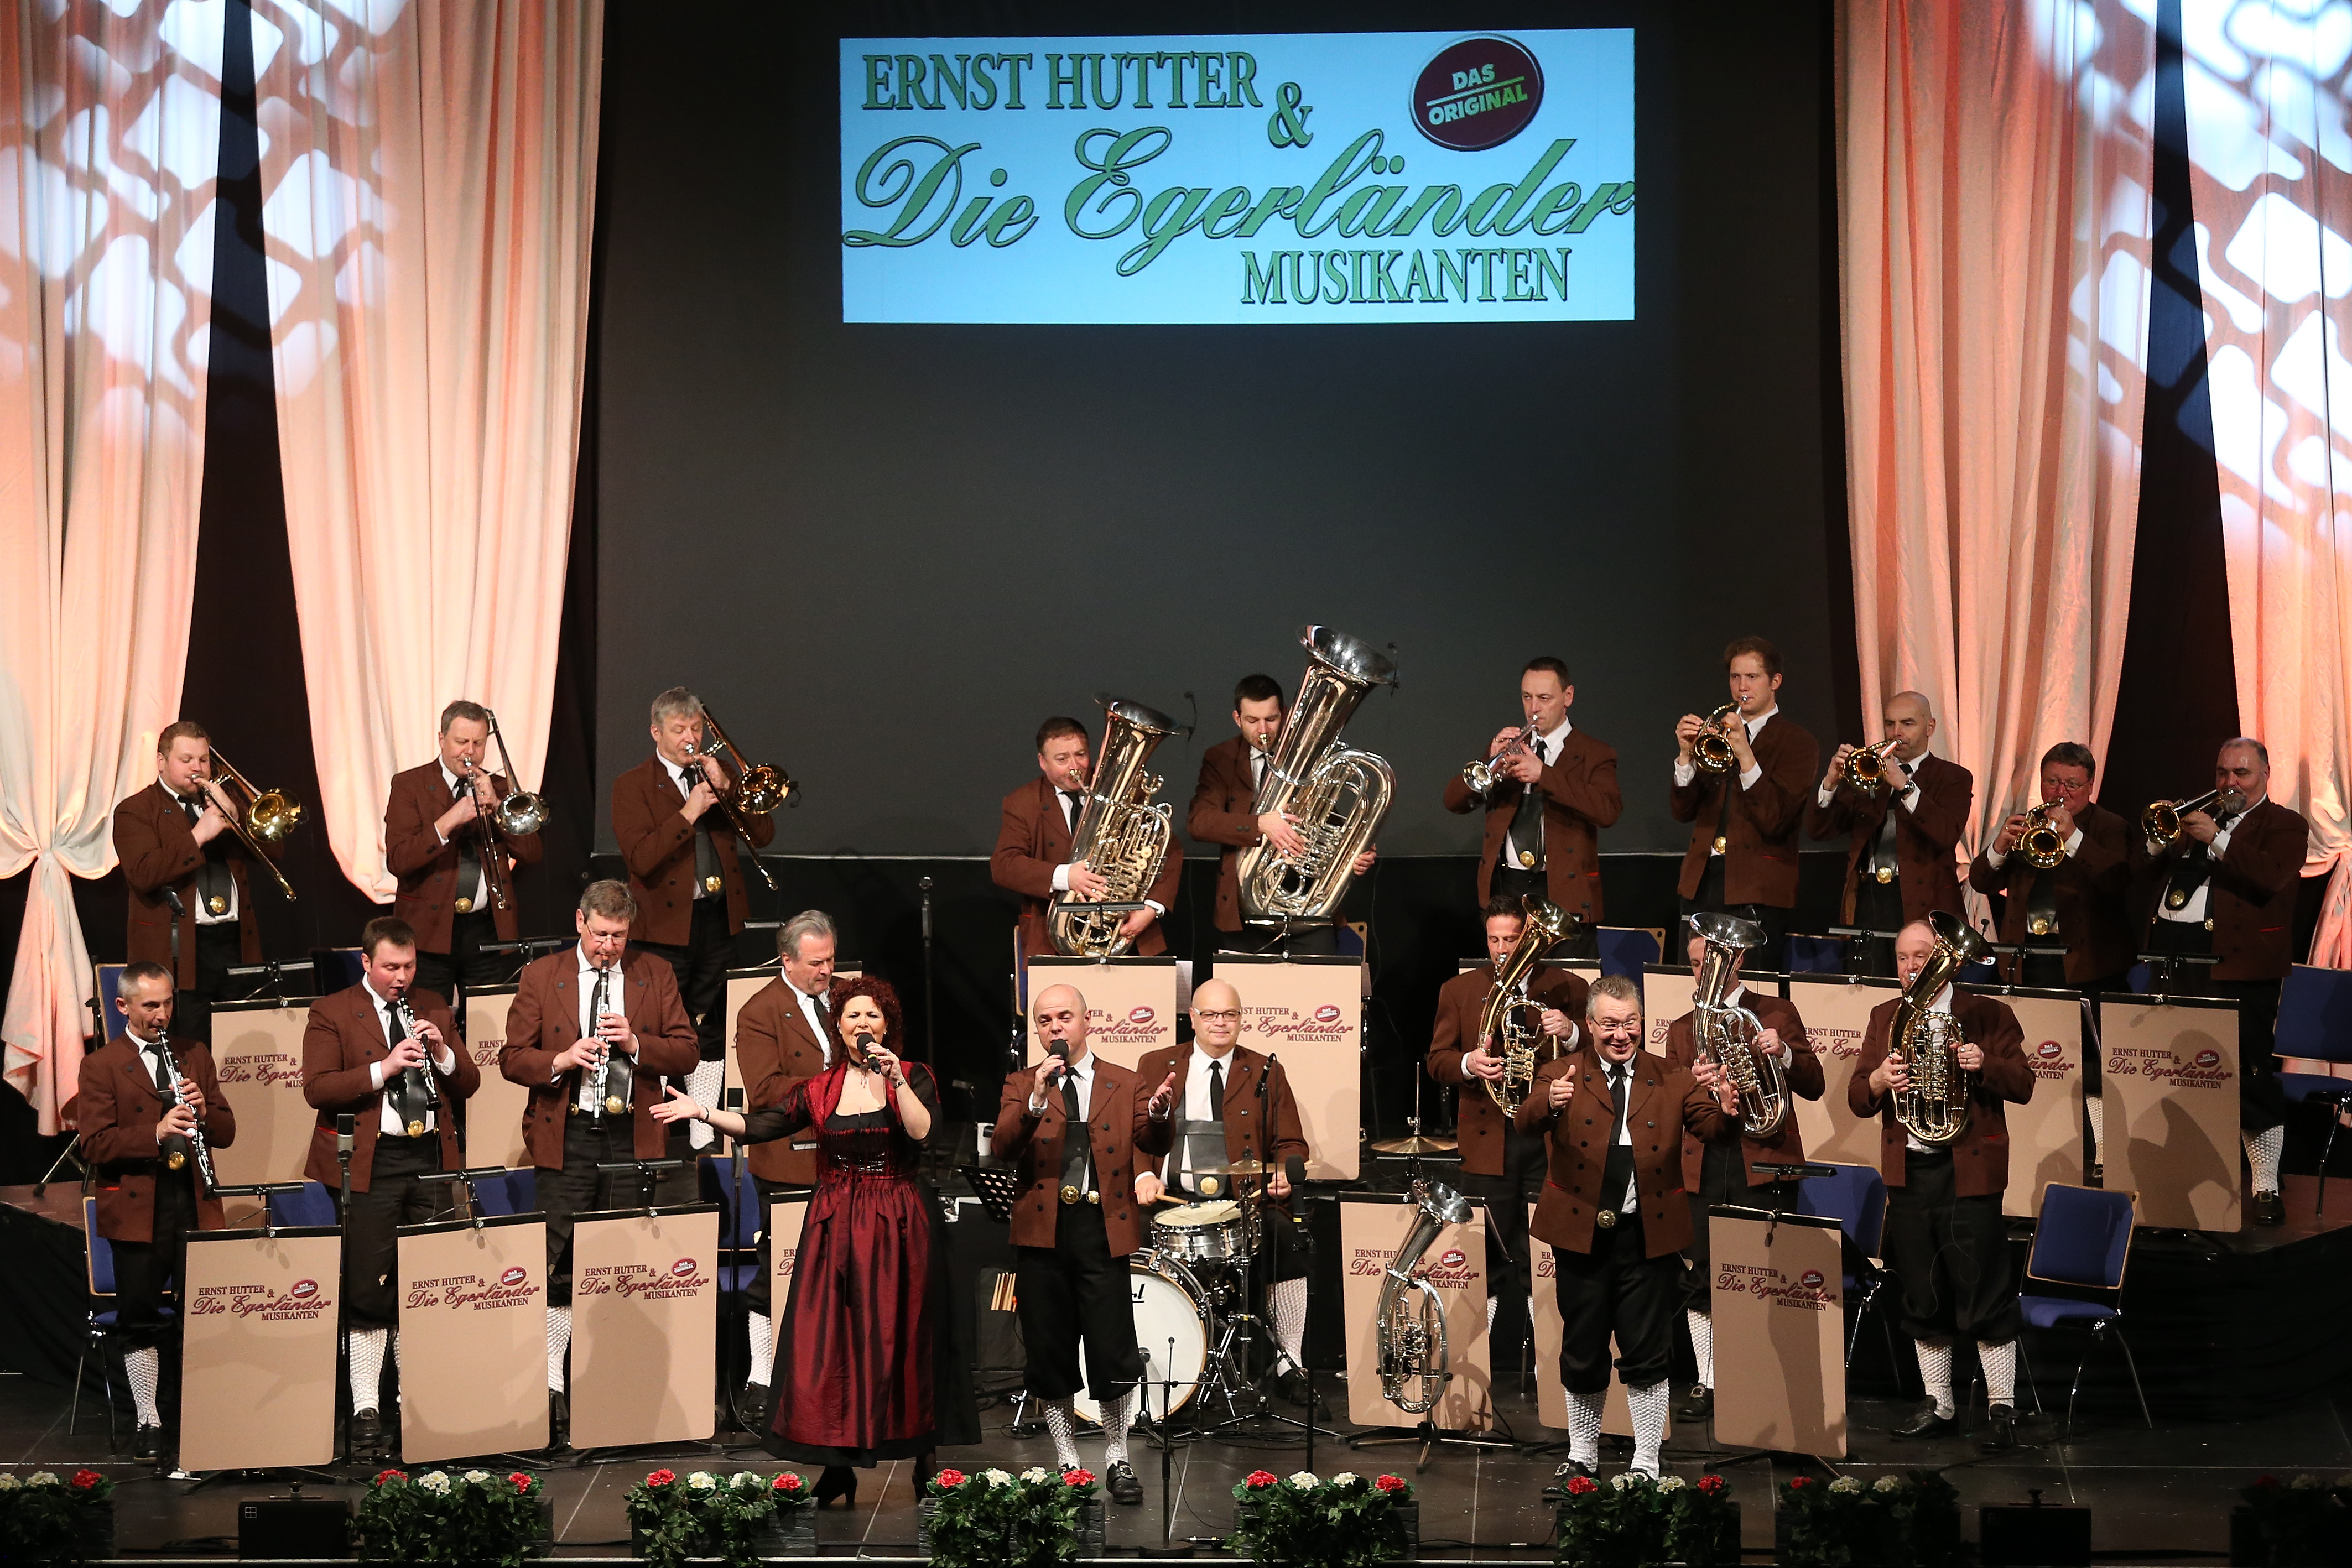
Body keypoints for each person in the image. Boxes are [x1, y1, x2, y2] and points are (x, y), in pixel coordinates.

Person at [656, 976, 979, 1504]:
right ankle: (838, 1465)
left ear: (887, 1025)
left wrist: (896, 1079)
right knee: (833, 1340)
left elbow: (925, 1133)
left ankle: (925, 1457)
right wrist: (704, 1113)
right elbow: (764, 1124)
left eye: (872, 1015)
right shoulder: (821, 1087)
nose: (863, 1024)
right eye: (853, 1016)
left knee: (907, 1335)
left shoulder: (913, 1074)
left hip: (899, 1221)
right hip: (837, 1223)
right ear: (839, 1026)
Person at [497, 880, 700, 1448]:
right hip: (568, 1135)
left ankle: (614, 1385)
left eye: (620, 936)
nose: (610, 946)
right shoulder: (543, 975)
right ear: (580, 922)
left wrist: (636, 1044)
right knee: (558, 1262)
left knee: (622, 1262)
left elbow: (687, 1050)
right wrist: (562, 1058)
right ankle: (551, 1387)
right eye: (602, 934)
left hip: (631, 1137)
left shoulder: (655, 973)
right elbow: (512, 1058)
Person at [1515, 976, 1736, 1479]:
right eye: (1610, 1024)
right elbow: (1525, 1121)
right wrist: (1550, 1102)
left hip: (1647, 1238)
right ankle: (1582, 1454)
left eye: (1631, 1022)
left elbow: (1713, 1129)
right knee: (1583, 1350)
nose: (1621, 1034)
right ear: (1590, 1024)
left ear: (1642, 1022)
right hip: (1581, 1238)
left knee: (1646, 1352)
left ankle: (1646, 1461)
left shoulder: (1673, 1076)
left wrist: (1727, 1109)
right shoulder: (1560, 1071)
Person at [1849, 919, 2034, 1449]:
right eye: (1903, 958)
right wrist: (1879, 1080)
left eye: (1922, 956)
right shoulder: (1884, 1015)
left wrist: (1984, 1062)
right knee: (1923, 1292)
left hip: (1968, 1173)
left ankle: (2002, 1406)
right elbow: (1857, 1097)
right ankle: (1939, 1402)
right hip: (1910, 1174)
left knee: (1985, 1290)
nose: (1912, 967)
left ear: (1945, 960)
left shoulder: (1988, 1013)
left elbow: (2023, 1083)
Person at [990, 984, 1178, 1503]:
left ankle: (1118, 1456)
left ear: (1087, 1020)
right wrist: (1036, 1097)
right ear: (1036, 1029)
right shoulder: (1021, 1083)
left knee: (1112, 1352)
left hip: (1103, 1228)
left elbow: (1152, 1141)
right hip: (1043, 1233)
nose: (1056, 1026)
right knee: (1050, 1352)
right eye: (1045, 1019)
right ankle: (1068, 1460)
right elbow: (1003, 1146)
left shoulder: (1125, 1080)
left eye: (1065, 1016)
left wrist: (1159, 1113)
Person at [300, 916, 478, 1460]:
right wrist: (384, 1067)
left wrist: (442, 1052)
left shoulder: (434, 1006)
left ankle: (416, 1399)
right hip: (370, 1165)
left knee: (423, 1283)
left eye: (409, 966)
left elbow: (469, 1082)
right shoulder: (331, 1011)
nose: (401, 978)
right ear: (366, 963)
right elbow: (318, 1088)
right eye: (390, 968)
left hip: (429, 1160)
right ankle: (366, 1407)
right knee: (368, 1289)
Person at [2131, 737, 2309, 1227]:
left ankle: (2265, 1183)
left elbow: (2271, 877)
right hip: (2174, 964)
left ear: (2266, 775)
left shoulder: (2285, 824)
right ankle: (2178, 1180)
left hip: (2241, 970)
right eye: (2222, 772)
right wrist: (2159, 838)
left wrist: (2217, 838)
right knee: (2174, 1073)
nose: (2230, 782)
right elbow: (2139, 872)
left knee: (2249, 1075)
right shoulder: (2196, 822)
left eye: (2241, 773)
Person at [1658, 920, 1823, 1421]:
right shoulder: (1682, 1028)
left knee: (1765, 1278)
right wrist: (1693, 1084)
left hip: (1764, 1161)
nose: (1702, 971)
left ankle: (1760, 1377)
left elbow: (1814, 1083)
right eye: (1695, 963)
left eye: (1712, 961)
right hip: (1705, 1163)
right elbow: (1668, 1104)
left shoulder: (1776, 1011)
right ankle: (1709, 1380)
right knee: (1702, 1278)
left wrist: (1784, 1053)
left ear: (1738, 960)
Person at [76, 962, 238, 1465]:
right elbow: (94, 1144)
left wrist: (204, 1112)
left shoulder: (194, 1053)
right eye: (150, 1005)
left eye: (168, 1002)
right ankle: (149, 1417)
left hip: (194, 1202)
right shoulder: (102, 1065)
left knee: (203, 1314)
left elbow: (228, 1131)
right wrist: (155, 1132)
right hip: (138, 1206)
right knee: (141, 1317)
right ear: (123, 1006)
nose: (162, 1014)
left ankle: (202, 1412)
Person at [1425, 895, 1585, 1377]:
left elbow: (1600, 1053)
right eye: (1494, 939)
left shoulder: (1569, 986)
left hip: (1548, 1138)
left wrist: (1571, 1032)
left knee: (1546, 1258)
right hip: (1487, 1139)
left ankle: (1550, 1370)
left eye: (1511, 939)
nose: (1501, 949)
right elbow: (1437, 1060)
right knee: (1485, 1259)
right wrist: (1469, 1063)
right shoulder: (1459, 989)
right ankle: (1474, 1368)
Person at [1133, 978, 1312, 1400]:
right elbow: (1133, 1134)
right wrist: (1143, 1176)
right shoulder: (1154, 1064)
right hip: (1170, 1200)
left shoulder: (1266, 1070)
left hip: (1242, 1202)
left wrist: (1284, 1174)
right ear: (1193, 1018)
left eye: (1229, 1014)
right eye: (1210, 1014)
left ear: (1241, 1019)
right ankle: (1148, 1356)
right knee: (1123, 1232)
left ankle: (1290, 1361)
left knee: (1284, 1236)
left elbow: (1291, 1142)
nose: (1220, 1022)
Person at [611, 687, 776, 1131]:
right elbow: (641, 858)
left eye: (696, 728)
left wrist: (730, 788)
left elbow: (763, 835)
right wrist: (688, 813)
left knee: (716, 1025)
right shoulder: (632, 784)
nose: (690, 738)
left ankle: (703, 1125)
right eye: (679, 729)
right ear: (656, 732)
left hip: (718, 920)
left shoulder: (717, 776)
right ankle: (658, 1127)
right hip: (664, 928)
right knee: (661, 1025)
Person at [1969, 741, 2132, 1168]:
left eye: (2072, 784)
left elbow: (2117, 881)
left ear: (2091, 785)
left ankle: (2099, 1154)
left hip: (2086, 966)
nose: (2061, 792)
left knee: (2089, 1064)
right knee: (2030, 1055)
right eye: (2052, 782)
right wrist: (2000, 845)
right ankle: (2034, 1148)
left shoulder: (2110, 826)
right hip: (2027, 960)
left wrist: (2073, 837)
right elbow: (1982, 881)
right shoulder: (2028, 822)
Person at [727, 909, 842, 1429]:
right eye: (817, 963)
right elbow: (766, 1090)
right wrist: (832, 1086)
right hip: (788, 1161)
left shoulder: (847, 998)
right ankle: (762, 1380)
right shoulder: (759, 1011)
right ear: (787, 960)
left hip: (849, 1157)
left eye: (831, 959)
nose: (827, 971)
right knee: (779, 1272)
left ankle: (835, 1379)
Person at [1442, 657, 1622, 957]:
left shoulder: (1595, 753)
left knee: (1566, 980)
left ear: (1568, 697)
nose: (1534, 709)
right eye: (1527, 697)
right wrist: (1490, 761)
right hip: (1508, 886)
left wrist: (1545, 775)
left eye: (1544, 698)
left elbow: (1608, 811)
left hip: (1562, 889)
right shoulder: (1508, 748)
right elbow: (1453, 802)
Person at [112, 721, 277, 1043]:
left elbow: (275, 851)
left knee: (242, 1046)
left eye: (203, 760)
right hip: (182, 950)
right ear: (162, 762)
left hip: (234, 944)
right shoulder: (136, 810)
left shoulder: (223, 802)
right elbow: (144, 873)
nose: (197, 768)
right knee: (190, 1045)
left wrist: (237, 817)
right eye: (186, 760)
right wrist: (199, 834)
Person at [1187, 675, 1375, 954]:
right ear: (1237, 719)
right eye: (1252, 721)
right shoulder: (1220, 758)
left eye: (1271, 719)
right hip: (1244, 911)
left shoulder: (1309, 756)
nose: (1263, 730)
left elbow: (1329, 819)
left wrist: (1356, 848)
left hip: (1307, 906)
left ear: (1284, 715)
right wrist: (1261, 824)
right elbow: (1199, 823)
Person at [383, 701, 545, 1007]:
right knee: (429, 1021)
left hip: (488, 931)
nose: (469, 752)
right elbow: (399, 860)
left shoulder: (499, 787)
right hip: (429, 933)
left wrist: (497, 808)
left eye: (478, 743)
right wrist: (449, 821)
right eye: (461, 742)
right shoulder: (410, 785)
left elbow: (532, 853)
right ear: (442, 739)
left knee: (490, 1022)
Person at [1671, 637, 1819, 972]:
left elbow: (1776, 818)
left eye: (1752, 677)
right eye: (1735, 677)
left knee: (1750, 985)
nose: (1742, 687)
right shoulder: (1717, 734)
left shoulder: (1798, 742)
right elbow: (1682, 811)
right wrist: (1686, 756)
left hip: (1756, 889)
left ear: (1775, 681)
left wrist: (1746, 755)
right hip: (1702, 882)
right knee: (1690, 984)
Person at [1805, 691, 1973, 977]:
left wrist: (1905, 785)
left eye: (1908, 724)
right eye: (1889, 724)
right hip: (1868, 899)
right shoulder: (1870, 773)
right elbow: (1820, 830)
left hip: (1920, 903)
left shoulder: (1953, 777)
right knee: (1867, 984)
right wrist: (1830, 782)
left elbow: (1946, 834)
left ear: (1930, 727)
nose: (1897, 733)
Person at [995, 716, 1183, 957]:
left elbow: (1168, 848)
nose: (1075, 766)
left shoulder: (1121, 790)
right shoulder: (1022, 802)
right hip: (1050, 940)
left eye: (1081, 755)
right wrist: (1066, 877)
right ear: (1043, 762)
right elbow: (1004, 865)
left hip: (1129, 932)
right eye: (1062, 759)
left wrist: (1150, 907)